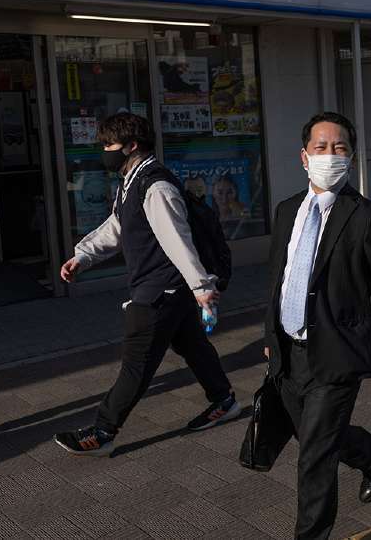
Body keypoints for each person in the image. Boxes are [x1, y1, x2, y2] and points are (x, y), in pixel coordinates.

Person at [54, 113, 238, 456]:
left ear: (132, 146)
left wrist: (201, 288)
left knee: (137, 364)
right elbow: (117, 226)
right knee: (193, 347)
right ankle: (224, 400)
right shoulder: (132, 182)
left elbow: (177, 240)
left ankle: (103, 431)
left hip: (161, 290)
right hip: (167, 288)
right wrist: (83, 256)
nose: (105, 151)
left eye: (109, 144)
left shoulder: (156, 187)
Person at [266, 112, 371, 539]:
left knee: (313, 456)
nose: (330, 155)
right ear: (304, 156)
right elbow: (278, 277)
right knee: (312, 436)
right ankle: (370, 451)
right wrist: (269, 336)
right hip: (288, 352)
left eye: (340, 148)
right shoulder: (286, 210)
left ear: (351, 157)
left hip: (338, 353)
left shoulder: (367, 216)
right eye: (321, 147)